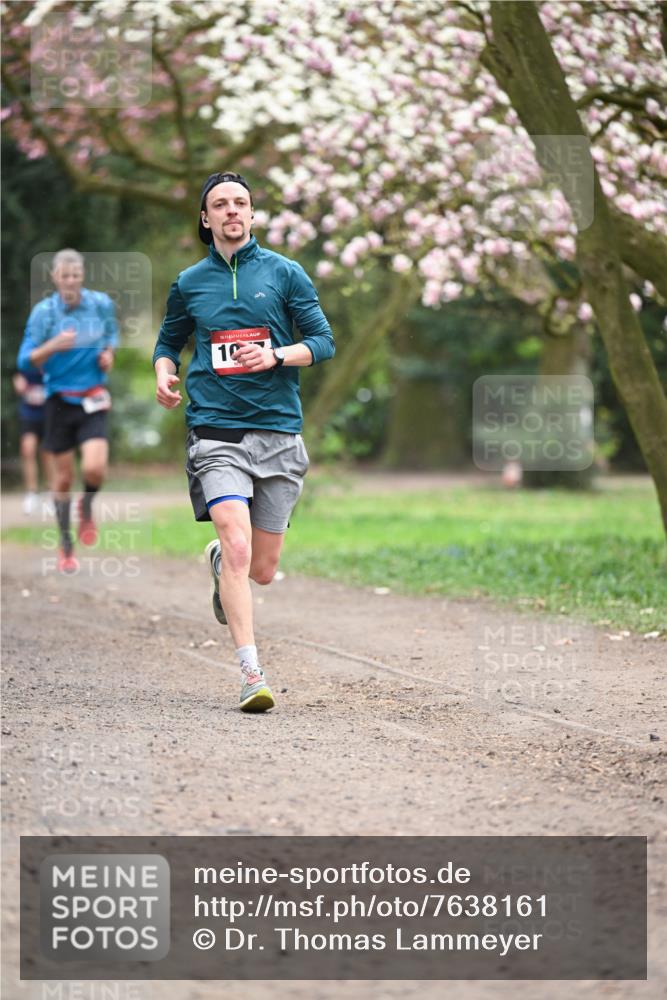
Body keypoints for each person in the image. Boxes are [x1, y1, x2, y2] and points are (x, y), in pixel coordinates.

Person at [153, 171, 335, 713]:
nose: (232, 211)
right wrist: (163, 372)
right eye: (220, 205)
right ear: (206, 219)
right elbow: (169, 341)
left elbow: (322, 342)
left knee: (262, 569)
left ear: (252, 215)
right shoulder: (189, 282)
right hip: (215, 431)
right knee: (237, 544)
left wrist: (277, 354)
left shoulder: (285, 273)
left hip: (278, 430)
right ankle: (251, 674)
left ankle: (218, 563)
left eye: (241, 203)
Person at [18, 248, 118, 573]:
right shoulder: (43, 313)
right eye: (65, 276)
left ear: (82, 276)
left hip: (92, 398)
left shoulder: (100, 304)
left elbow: (111, 335)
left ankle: (86, 507)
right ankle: (65, 547)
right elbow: (24, 360)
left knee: (95, 470)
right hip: (59, 401)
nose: (71, 281)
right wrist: (52, 345)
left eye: (76, 275)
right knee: (62, 479)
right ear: (55, 278)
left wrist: (108, 354)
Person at [12, 359, 53, 515]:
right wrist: (18, 382)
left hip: (49, 412)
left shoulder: (53, 354)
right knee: (27, 449)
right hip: (29, 412)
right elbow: (19, 375)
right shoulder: (28, 353)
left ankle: (50, 493)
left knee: (46, 453)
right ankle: (31, 493)